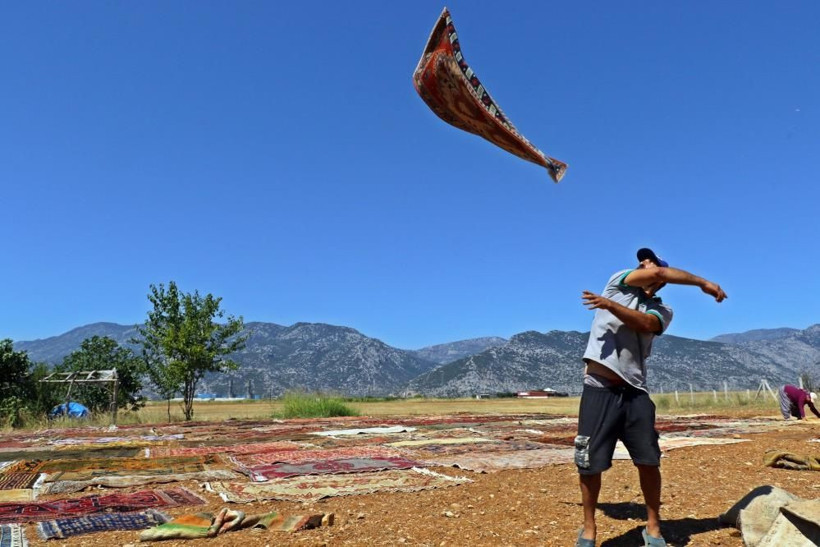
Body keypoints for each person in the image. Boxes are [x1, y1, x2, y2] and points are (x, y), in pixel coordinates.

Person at [574, 248, 727, 547]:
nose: (644, 264)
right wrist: (610, 301)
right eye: (642, 261)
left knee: (648, 460)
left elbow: (645, 324)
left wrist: (702, 282)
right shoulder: (617, 284)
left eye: (651, 262)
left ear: (662, 279)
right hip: (599, 387)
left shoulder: (662, 310)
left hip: (635, 392)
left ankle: (653, 527)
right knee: (589, 462)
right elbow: (653, 274)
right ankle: (589, 529)